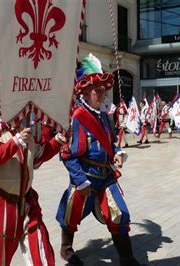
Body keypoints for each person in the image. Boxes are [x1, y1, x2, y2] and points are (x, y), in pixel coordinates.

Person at [56, 54, 139, 266]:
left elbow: (110, 143)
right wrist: (79, 181)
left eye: (104, 89)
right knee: (71, 215)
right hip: (85, 179)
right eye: (97, 90)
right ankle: (66, 250)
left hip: (106, 177)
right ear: (85, 91)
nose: (103, 93)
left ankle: (127, 260)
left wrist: (118, 153)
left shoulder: (102, 115)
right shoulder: (76, 117)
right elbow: (67, 154)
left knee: (119, 214)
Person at [0, 118, 66, 266]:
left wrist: (58, 140)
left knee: (40, 247)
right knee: (0, 254)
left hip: (27, 200)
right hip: (3, 201)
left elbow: (37, 159)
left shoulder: (28, 130)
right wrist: (15, 141)